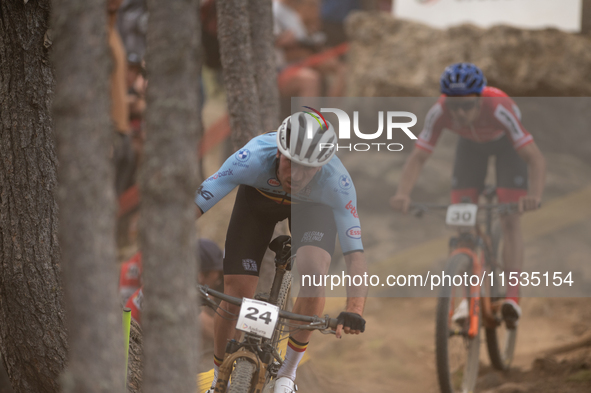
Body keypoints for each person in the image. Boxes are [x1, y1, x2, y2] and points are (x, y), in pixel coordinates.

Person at [197, 112, 368, 393]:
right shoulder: (251, 157)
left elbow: (355, 254)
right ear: (279, 152)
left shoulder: (338, 182)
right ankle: (219, 376)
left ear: (322, 165)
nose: (297, 175)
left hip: (312, 211)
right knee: (236, 291)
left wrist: (354, 309)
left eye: (308, 168)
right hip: (258, 203)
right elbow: (199, 200)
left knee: (314, 273)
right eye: (291, 163)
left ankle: (287, 374)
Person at [390, 63, 546, 328]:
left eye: (467, 105)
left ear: (479, 98)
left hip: (507, 147)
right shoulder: (439, 111)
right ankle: (468, 297)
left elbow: (535, 158)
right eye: (454, 107)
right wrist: (402, 194)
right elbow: (418, 157)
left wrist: (534, 195)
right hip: (470, 149)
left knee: (510, 221)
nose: (460, 113)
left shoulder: (498, 107)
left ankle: (512, 297)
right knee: (463, 225)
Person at [123, 239, 224, 343]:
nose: (218, 281)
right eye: (218, 274)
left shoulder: (173, 278)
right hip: (131, 345)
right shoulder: (175, 287)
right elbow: (210, 331)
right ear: (201, 276)